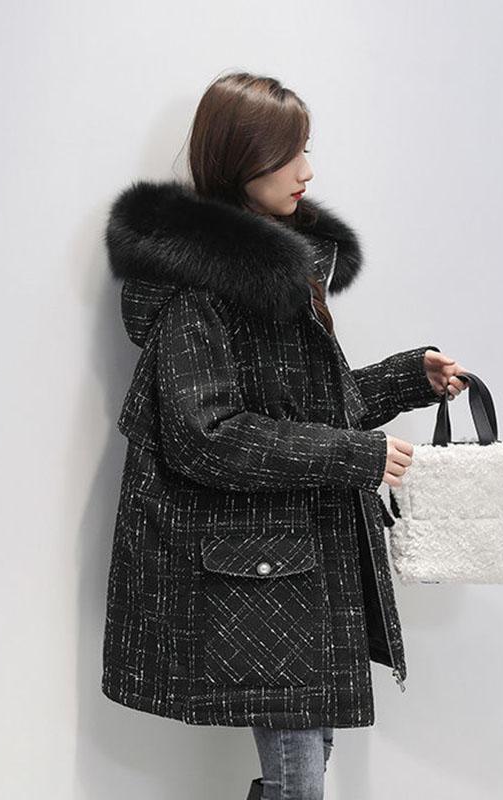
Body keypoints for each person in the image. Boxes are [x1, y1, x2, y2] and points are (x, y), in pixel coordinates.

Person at [101, 71, 469, 800]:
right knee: (300, 776)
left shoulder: (275, 272)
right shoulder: (199, 288)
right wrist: (357, 456)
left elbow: (305, 408)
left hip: (290, 560)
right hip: (257, 571)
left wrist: (409, 379)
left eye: (306, 150)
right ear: (240, 161)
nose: (307, 171)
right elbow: (208, 436)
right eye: (288, 154)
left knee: (305, 766)